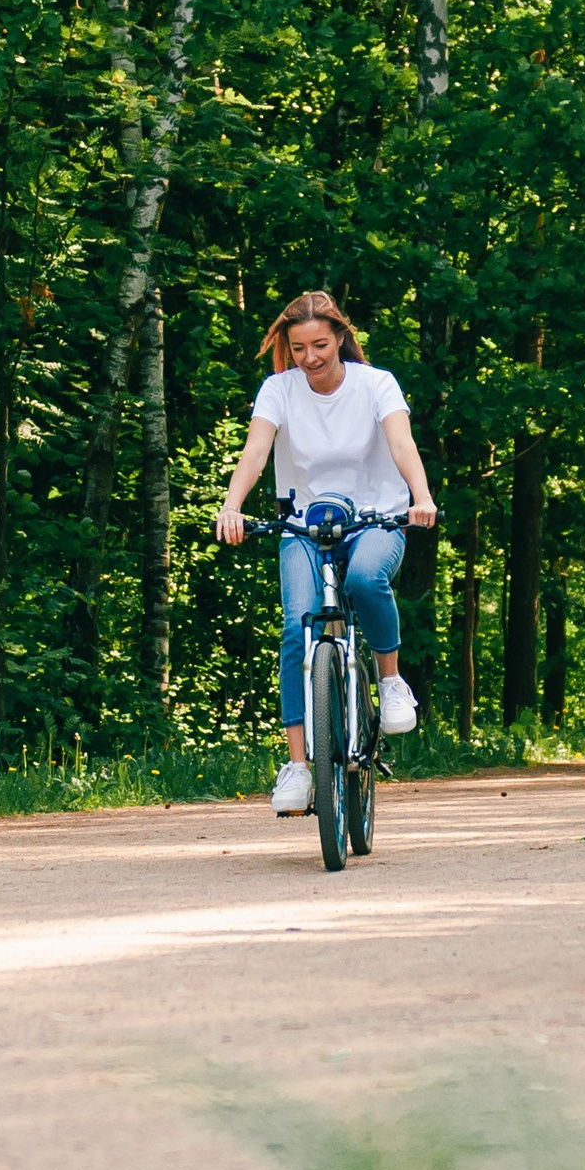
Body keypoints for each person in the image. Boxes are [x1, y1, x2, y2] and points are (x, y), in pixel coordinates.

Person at [213, 291, 439, 815]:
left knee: (364, 580)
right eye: (298, 349)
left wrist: (421, 497)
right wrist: (232, 506)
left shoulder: (375, 384)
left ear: (340, 337)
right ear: (287, 350)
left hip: (374, 519)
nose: (310, 357)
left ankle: (390, 680)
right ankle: (297, 766)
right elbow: (256, 452)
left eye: (319, 344)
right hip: (303, 527)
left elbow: (402, 444)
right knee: (298, 627)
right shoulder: (279, 390)